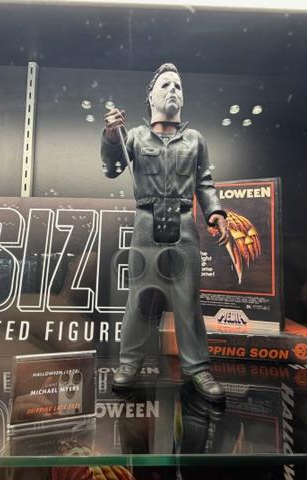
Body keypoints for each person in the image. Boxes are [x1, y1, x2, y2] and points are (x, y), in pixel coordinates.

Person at [100, 63, 229, 400]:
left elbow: (204, 182)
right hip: (146, 222)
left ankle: (197, 367)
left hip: (184, 223)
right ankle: (129, 363)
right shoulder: (135, 137)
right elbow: (112, 169)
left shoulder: (195, 140)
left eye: (178, 86)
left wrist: (215, 212)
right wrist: (112, 138)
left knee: (188, 299)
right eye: (166, 85)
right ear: (151, 97)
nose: (173, 90)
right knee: (140, 298)